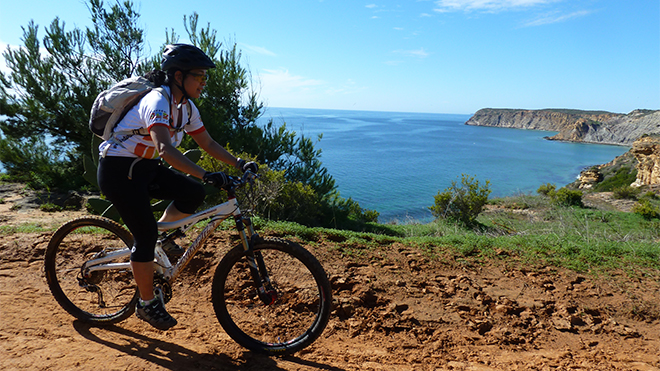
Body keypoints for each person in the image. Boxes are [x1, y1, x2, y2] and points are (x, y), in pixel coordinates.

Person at [97, 44, 257, 330]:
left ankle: (161, 238)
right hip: (118, 170)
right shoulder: (157, 101)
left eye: (205, 77)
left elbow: (206, 143)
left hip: (142, 168)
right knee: (144, 235)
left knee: (192, 192)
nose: (204, 83)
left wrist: (239, 163)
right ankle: (146, 303)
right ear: (179, 76)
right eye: (200, 76)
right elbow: (165, 150)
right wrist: (207, 174)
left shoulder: (186, 107)